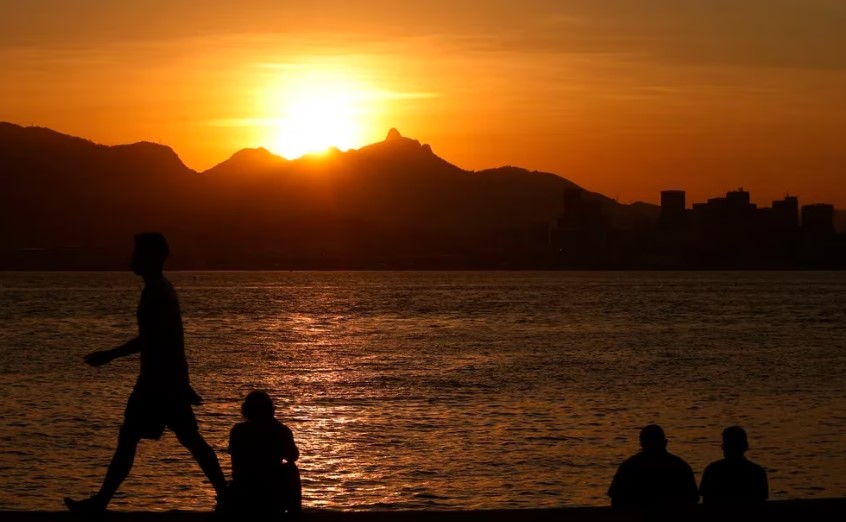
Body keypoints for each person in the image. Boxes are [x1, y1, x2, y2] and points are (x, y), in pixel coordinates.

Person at [64, 233, 227, 513]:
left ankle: (100, 502)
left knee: (133, 439)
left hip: (157, 382)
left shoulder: (157, 292)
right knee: (187, 439)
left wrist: (111, 355)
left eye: (137, 253)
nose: (133, 259)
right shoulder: (159, 289)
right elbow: (163, 339)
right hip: (165, 380)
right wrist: (181, 381)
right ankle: (227, 496)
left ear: (149, 257)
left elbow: (157, 339)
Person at [227, 391, 302, 518]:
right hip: (272, 487)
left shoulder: (238, 430)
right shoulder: (280, 430)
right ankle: (295, 515)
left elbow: (236, 462)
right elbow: (292, 456)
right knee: (291, 469)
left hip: (245, 486)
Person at [608, 424, 699, 509]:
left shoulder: (628, 467)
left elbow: (616, 501)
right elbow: (693, 500)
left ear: (642, 443)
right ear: (665, 443)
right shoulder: (680, 466)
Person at [700, 426, 768, 506]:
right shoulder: (758, 472)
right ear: (745, 446)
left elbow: (707, 501)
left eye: (724, 443)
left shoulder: (712, 470)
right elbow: (761, 501)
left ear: (725, 447)